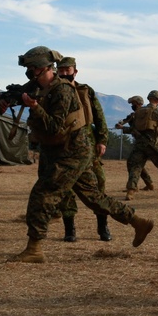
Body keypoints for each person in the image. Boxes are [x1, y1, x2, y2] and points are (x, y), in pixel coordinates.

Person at [8, 46, 154, 264]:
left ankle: (34, 249)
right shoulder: (40, 85)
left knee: (42, 195)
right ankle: (138, 222)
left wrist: (35, 107)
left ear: (43, 68)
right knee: (94, 198)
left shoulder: (62, 91)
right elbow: (23, 92)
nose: (29, 72)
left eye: (31, 67)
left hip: (72, 152)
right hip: (68, 150)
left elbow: (55, 127)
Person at [54, 56, 113, 242]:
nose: (64, 73)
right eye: (61, 70)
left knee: (98, 184)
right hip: (63, 145)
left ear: (75, 71)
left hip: (88, 144)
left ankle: (103, 226)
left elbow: (99, 116)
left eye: (67, 70)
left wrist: (102, 140)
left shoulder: (85, 91)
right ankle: (69, 229)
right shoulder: (52, 92)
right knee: (66, 188)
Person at [123, 90, 158, 200]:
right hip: (153, 143)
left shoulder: (139, 112)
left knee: (135, 167)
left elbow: (133, 128)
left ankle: (130, 192)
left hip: (140, 144)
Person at [114, 96, 155, 191]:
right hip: (141, 142)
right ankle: (148, 183)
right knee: (138, 164)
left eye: (134, 104)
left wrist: (122, 128)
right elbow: (125, 120)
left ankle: (133, 186)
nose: (132, 106)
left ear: (139, 103)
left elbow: (135, 130)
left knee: (132, 163)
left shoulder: (143, 115)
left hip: (144, 142)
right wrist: (121, 124)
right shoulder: (134, 115)